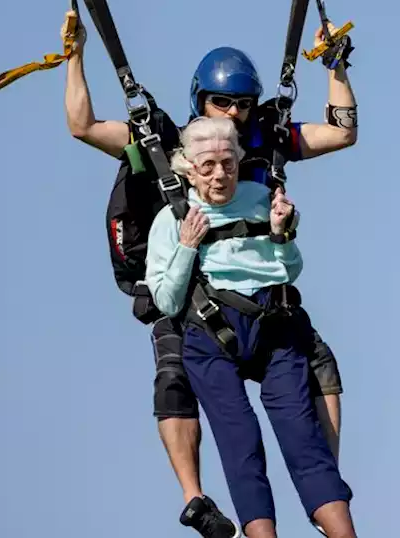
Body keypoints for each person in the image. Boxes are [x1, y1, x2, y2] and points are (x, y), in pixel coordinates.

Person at [61, 12, 358, 536]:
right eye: (222, 103)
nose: (235, 114)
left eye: (243, 104)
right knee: (175, 376)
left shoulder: (264, 142)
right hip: (187, 290)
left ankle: (320, 483)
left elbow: (341, 133)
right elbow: (83, 126)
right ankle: (195, 497)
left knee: (320, 366)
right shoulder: (169, 143)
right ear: (200, 100)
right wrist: (75, 57)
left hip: (259, 295)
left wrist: (335, 66)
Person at [145, 116, 357, 538]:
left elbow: (289, 270)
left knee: (304, 439)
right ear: (189, 168)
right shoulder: (172, 219)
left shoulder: (260, 198)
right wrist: (187, 246)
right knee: (241, 441)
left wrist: (282, 235)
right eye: (207, 166)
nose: (220, 175)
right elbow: (166, 301)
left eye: (228, 163)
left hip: (271, 328)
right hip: (210, 336)